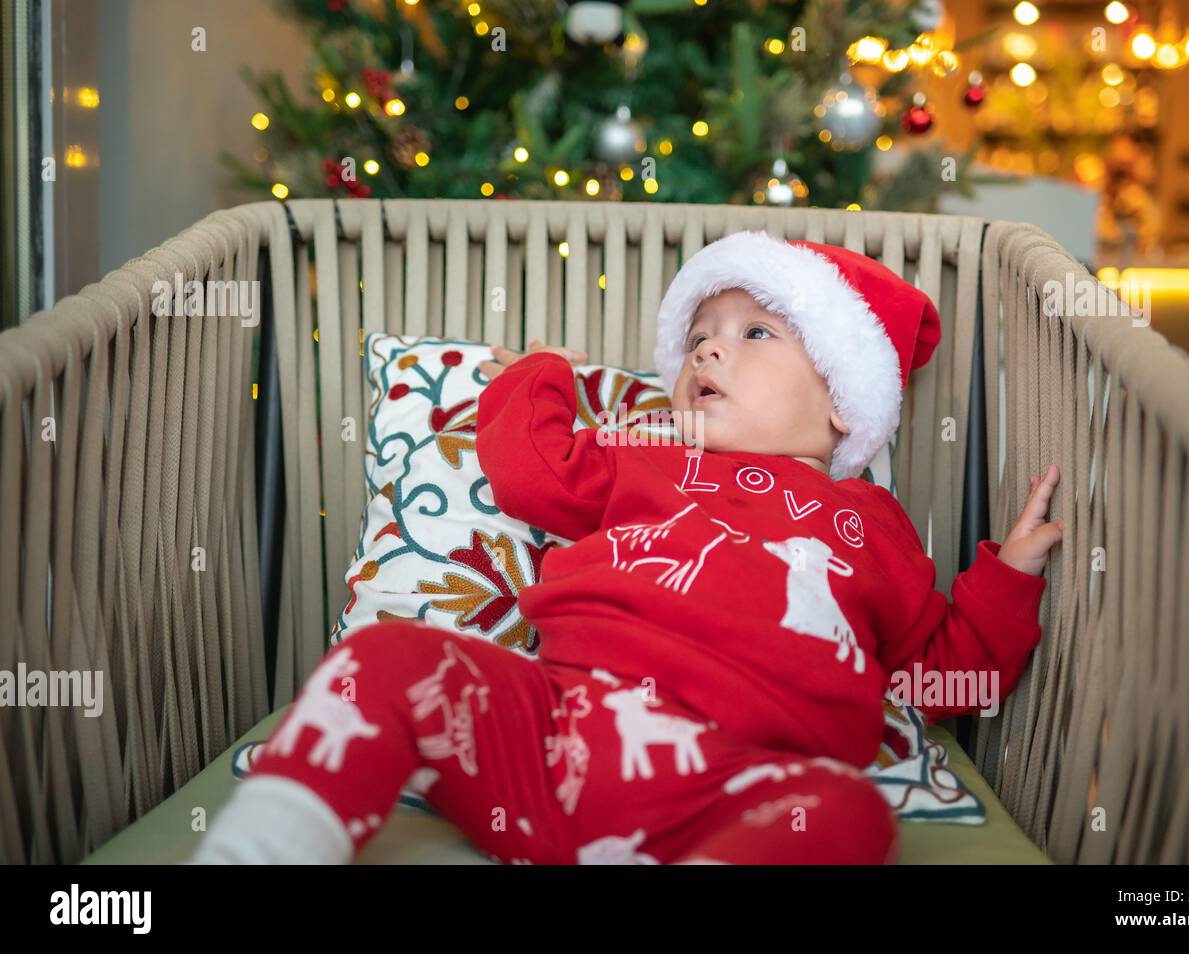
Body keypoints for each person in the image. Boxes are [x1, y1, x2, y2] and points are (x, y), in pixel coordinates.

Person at [190, 230, 1062, 865]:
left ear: (843, 400)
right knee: (382, 664)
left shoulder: (870, 522)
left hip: (737, 782)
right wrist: (541, 374)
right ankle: (266, 845)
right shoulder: (651, 449)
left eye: (756, 333)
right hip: (549, 732)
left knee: (845, 815)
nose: (710, 346)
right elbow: (534, 473)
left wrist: (1008, 578)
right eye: (698, 338)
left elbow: (939, 673)